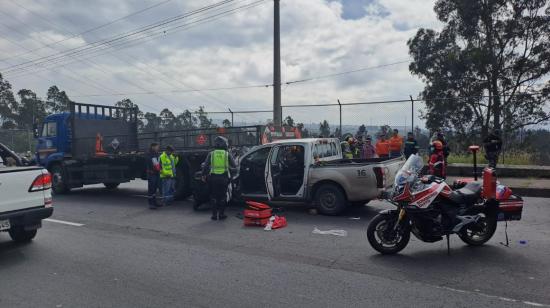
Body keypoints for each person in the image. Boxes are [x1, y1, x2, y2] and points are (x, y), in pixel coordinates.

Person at [202, 136, 237, 221]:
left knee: (213, 196)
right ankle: (221, 214)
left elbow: (206, 166)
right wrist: (230, 170)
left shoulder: (211, 153)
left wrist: (203, 175)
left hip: (213, 178)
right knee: (222, 197)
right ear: (225, 144)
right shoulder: (227, 154)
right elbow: (234, 167)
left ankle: (214, 215)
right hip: (224, 178)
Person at [146, 142, 161, 209]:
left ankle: (154, 202)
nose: (158, 148)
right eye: (157, 146)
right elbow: (150, 164)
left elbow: (157, 163)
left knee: (154, 189)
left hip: (156, 173)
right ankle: (151, 204)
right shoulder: (149, 154)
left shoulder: (156, 154)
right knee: (151, 189)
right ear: (153, 147)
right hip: (152, 174)